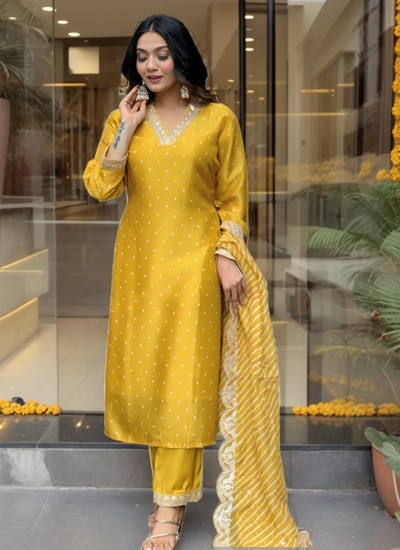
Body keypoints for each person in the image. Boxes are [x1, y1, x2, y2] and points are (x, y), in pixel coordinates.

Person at [83, 13, 311, 550]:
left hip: (195, 269)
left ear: (181, 57)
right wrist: (127, 128)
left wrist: (227, 256)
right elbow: (99, 187)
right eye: (143, 56)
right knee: (152, 376)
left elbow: (233, 199)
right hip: (140, 268)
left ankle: (168, 509)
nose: (151, 65)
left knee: (183, 380)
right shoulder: (123, 118)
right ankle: (172, 494)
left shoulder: (217, 119)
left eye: (162, 54)